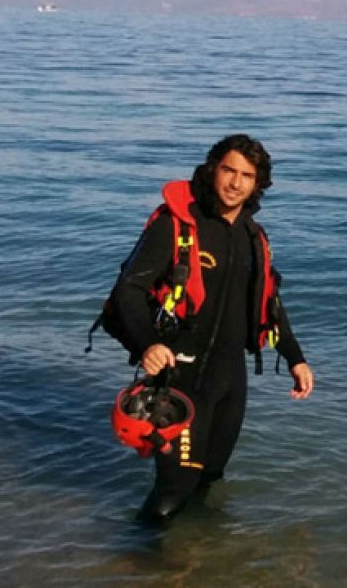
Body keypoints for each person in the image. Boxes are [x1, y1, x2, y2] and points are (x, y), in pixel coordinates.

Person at [108, 134, 314, 523]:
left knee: (210, 477)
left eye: (247, 175)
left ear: (258, 183)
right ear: (212, 170)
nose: (236, 183)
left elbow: (268, 303)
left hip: (230, 379)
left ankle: (197, 568)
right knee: (174, 489)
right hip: (180, 377)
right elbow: (127, 290)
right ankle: (143, 569)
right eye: (228, 170)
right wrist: (149, 343)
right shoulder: (176, 225)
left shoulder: (254, 236)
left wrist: (295, 358)